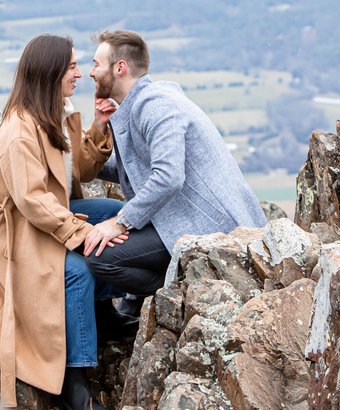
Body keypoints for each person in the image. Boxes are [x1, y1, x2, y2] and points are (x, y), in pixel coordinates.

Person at [0, 34, 128, 410]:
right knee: (77, 271)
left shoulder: (57, 112)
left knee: (113, 212)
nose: (80, 73)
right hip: (15, 234)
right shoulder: (18, 131)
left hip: (44, 216)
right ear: (50, 73)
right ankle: (75, 378)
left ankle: (102, 316)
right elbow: (32, 202)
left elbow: (80, 171)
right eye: (71, 66)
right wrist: (81, 233)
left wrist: (100, 126)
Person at [82, 30, 268, 304]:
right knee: (99, 240)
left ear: (119, 68)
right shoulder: (140, 104)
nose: (90, 72)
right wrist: (83, 150)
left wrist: (119, 224)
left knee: (101, 259)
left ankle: (181, 290)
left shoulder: (155, 105)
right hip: (183, 219)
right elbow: (128, 171)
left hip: (212, 226)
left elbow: (168, 177)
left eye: (96, 64)